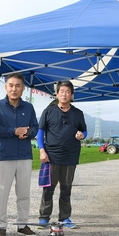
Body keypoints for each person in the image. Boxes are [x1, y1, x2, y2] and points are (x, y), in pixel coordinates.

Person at [0, 73, 38, 236]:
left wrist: (28, 132)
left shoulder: (28, 108)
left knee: (24, 193)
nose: (14, 89)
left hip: (24, 156)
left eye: (17, 86)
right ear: (5, 87)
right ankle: (0, 225)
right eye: (11, 85)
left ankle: (22, 224)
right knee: (2, 192)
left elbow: (35, 128)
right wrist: (14, 131)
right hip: (4, 156)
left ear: (23, 88)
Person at [37, 80, 87, 228]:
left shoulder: (78, 113)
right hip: (51, 156)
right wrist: (42, 150)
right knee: (48, 188)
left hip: (70, 156)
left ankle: (65, 217)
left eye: (67, 92)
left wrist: (81, 135)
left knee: (66, 189)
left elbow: (84, 131)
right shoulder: (48, 112)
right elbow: (40, 133)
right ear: (57, 94)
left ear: (72, 95)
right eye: (62, 91)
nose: (64, 94)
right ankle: (44, 217)